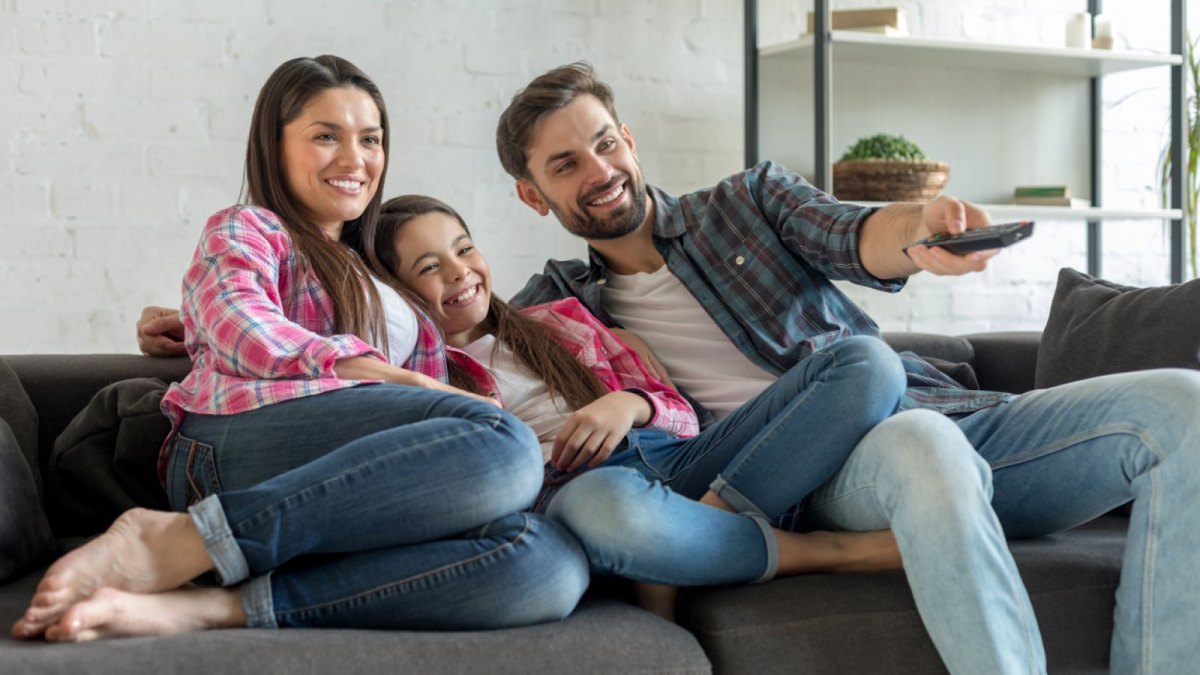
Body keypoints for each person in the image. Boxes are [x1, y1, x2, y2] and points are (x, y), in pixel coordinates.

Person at [495, 62, 1200, 674]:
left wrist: (922, 228)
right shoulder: (549, 313)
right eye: (566, 166)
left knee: (1184, 405)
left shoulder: (746, 204)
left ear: (629, 140)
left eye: (605, 143)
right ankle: (724, 527)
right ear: (533, 194)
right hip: (829, 480)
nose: (600, 172)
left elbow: (856, 232)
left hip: (944, 417)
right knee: (916, 442)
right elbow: (457, 370)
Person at [11, 55, 588, 643]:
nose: (354, 159)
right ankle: (179, 541)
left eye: (370, 139)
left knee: (547, 562)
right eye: (324, 137)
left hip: (354, 483)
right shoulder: (247, 229)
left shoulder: (380, 272)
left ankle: (213, 607)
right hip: (237, 438)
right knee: (502, 445)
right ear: (274, 144)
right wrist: (397, 379)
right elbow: (244, 325)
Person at [362, 194, 904, 615]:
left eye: (463, 248)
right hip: (581, 491)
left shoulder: (560, 323)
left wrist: (629, 403)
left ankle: (680, 547)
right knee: (604, 505)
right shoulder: (421, 378)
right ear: (395, 293)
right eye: (429, 267)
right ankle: (832, 552)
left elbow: (683, 414)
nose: (460, 271)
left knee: (868, 363)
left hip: (676, 462)